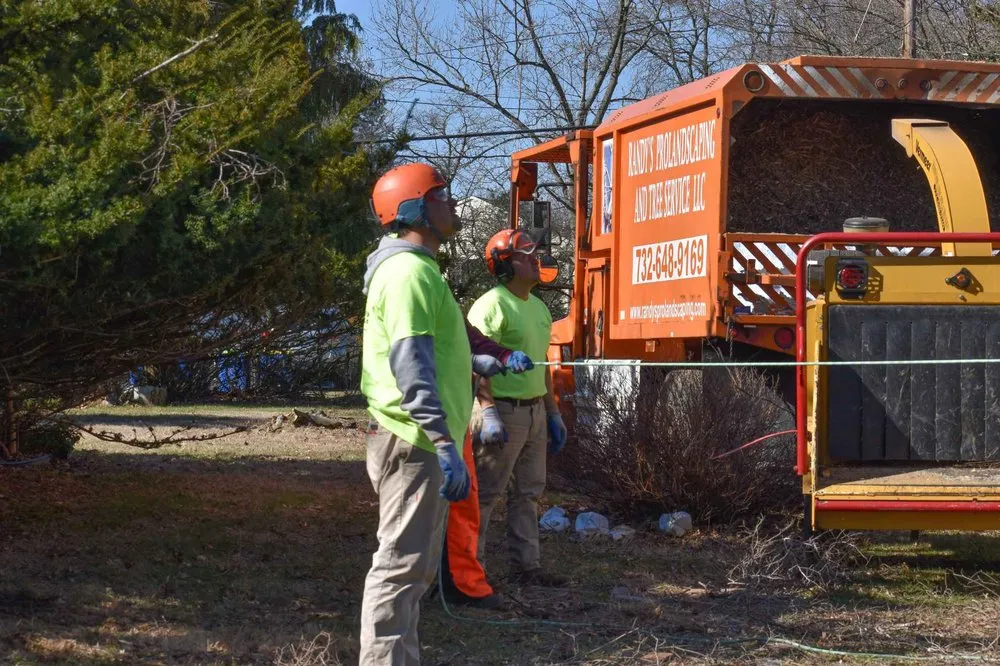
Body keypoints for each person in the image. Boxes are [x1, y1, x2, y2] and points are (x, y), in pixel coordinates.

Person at [359, 162, 476, 665]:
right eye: (440, 194)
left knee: (414, 571)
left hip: (419, 439)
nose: (450, 202)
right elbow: (411, 365)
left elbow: (431, 353)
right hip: (414, 441)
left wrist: (478, 360)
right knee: (400, 567)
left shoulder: (418, 269)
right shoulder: (407, 272)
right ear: (414, 209)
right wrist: (445, 443)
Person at [467, 229, 569, 587]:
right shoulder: (491, 305)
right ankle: (468, 572)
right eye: (526, 256)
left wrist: (552, 413)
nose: (535, 260)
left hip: (534, 413)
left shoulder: (539, 307)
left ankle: (527, 567)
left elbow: (541, 363)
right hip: (502, 411)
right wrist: (488, 411)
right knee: (485, 494)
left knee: (528, 492)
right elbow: (475, 361)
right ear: (506, 266)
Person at [440, 327, 533, 610]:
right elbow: (420, 354)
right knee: (423, 513)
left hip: (454, 423)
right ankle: (413, 591)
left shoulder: (438, 292)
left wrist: (504, 356)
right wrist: (488, 407)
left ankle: (462, 584)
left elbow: (470, 338)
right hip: (427, 424)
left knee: (464, 504)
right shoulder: (412, 288)